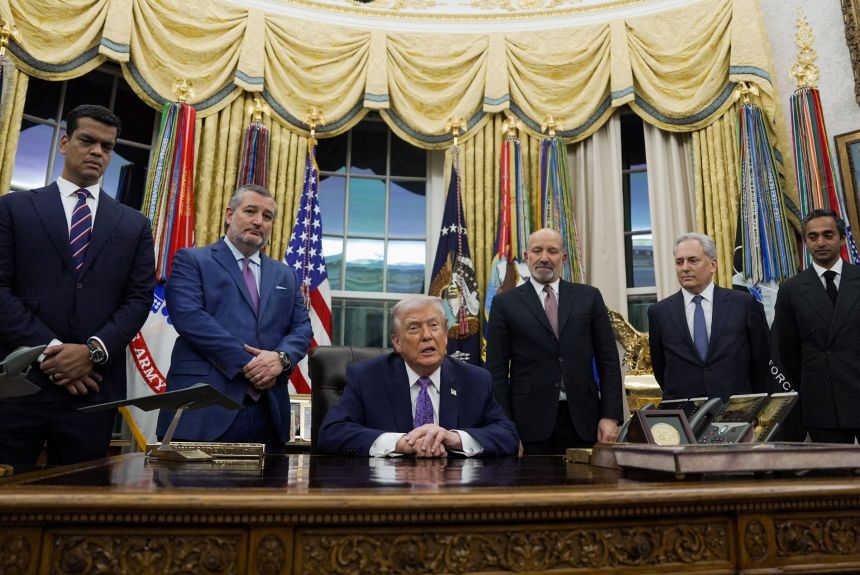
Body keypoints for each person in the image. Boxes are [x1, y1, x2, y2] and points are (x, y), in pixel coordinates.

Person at [0, 104, 155, 466]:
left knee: (78, 506)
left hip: (93, 389)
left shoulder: (134, 225)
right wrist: (51, 352)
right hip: (21, 386)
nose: (98, 152)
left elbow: (138, 299)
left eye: (107, 146)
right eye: (87, 141)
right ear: (65, 143)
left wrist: (91, 352)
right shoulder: (13, 208)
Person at [156, 184, 312, 450]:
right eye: (250, 211)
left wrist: (281, 359)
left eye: (267, 216)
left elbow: (302, 327)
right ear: (229, 214)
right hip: (204, 408)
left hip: (269, 411)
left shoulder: (285, 275)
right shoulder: (192, 260)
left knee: (266, 492)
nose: (258, 221)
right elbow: (190, 319)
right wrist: (252, 364)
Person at [317, 295, 519, 457]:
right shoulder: (367, 377)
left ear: (446, 335)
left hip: (454, 494)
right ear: (397, 342)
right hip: (386, 493)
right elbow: (332, 433)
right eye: (414, 328)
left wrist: (454, 438)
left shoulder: (475, 380)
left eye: (434, 326)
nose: (427, 335)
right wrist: (401, 443)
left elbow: (508, 436)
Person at [485, 228, 623, 455]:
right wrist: (505, 427)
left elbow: (608, 360)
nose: (544, 258)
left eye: (552, 251)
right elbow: (496, 371)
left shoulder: (589, 297)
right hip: (528, 424)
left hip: (585, 421)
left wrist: (610, 416)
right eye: (537, 251)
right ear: (526, 256)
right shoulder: (505, 304)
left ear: (564, 258)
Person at [648, 232, 770, 402]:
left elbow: (760, 360)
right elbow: (660, 368)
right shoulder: (659, 312)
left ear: (713, 265)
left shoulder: (743, 304)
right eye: (679, 261)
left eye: (692, 260)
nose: (684, 268)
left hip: (735, 410)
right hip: (685, 414)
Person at [772, 209, 860, 444]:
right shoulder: (790, 290)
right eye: (813, 236)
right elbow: (786, 352)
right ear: (805, 242)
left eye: (828, 235)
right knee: (833, 477)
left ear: (842, 239)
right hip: (822, 401)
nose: (820, 242)